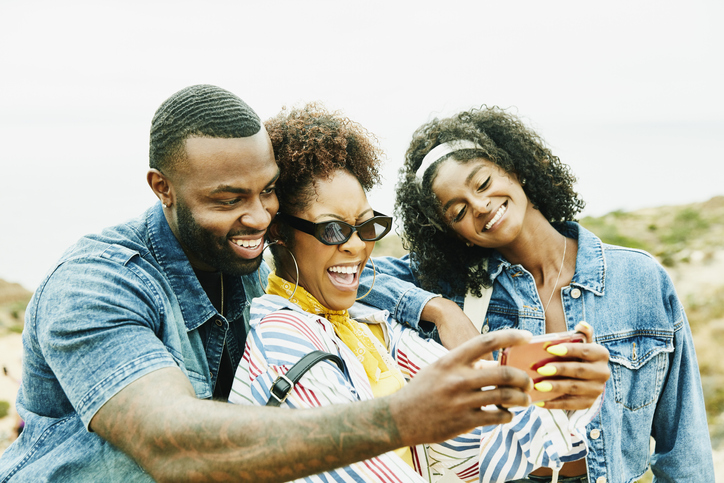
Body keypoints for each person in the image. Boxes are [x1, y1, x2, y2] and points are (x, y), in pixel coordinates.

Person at [0, 85, 542, 483]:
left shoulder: (249, 262)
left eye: (268, 192)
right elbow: (170, 444)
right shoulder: (96, 286)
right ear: (162, 188)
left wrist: (435, 309)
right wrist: (399, 418)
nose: (259, 218)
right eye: (229, 198)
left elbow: (336, 269)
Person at [229, 103, 608, 482]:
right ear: (278, 232)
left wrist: (561, 386)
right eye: (332, 230)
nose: (356, 247)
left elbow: (484, 423)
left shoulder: (373, 328)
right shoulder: (282, 342)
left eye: (366, 226)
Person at [357, 106, 715, 482]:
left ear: (514, 169)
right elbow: (352, 272)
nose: (479, 207)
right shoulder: (454, 285)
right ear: (455, 233)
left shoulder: (638, 280)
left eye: (482, 183)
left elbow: (685, 449)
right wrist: (439, 308)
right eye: (458, 211)